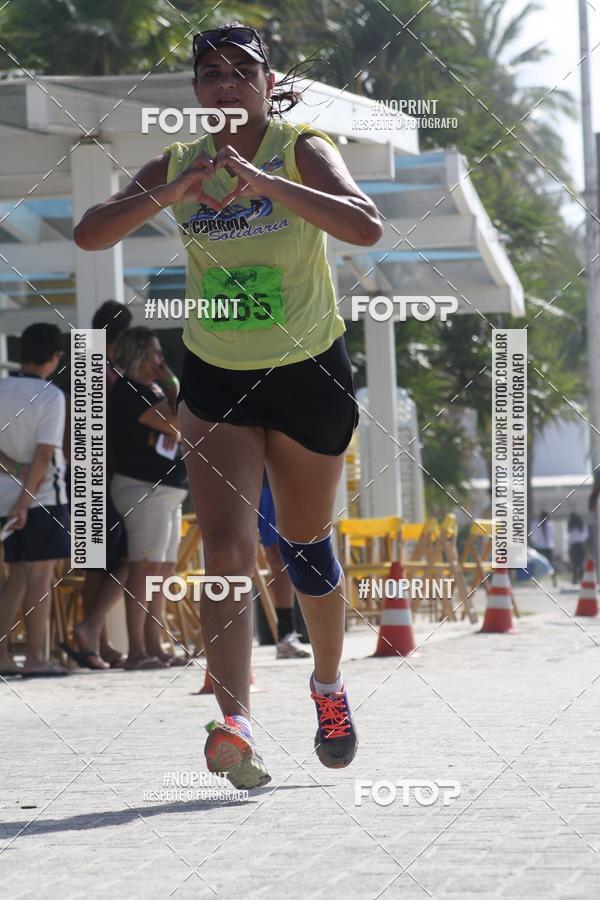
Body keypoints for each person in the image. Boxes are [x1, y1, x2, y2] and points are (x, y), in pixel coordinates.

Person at [73, 22, 383, 787]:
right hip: (214, 375)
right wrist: (171, 194)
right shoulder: (175, 163)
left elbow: (366, 224)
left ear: (265, 82)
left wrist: (271, 185)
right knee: (224, 550)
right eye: (209, 72)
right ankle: (236, 720)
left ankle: (328, 687)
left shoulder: (301, 146)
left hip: (308, 367)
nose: (224, 83)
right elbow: (88, 234)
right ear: (196, 92)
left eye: (240, 71)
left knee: (306, 548)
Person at [106, 328, 188, 669]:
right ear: (139, 355)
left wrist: (167, 383)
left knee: (162, 569)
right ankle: (137, 647)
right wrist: (171, 382)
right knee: (144, 566)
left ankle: (154, 642)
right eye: (154, 353)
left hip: (167, 491)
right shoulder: (130, 391)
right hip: (143, 488)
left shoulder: (150, 389)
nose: (160, 360)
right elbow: (180, 422)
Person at [61, 299, 131, 670]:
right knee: (110, 561)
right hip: (94, 472)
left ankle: (98, 641)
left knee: (100, 562)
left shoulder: (88, 362)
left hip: (89, 471)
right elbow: (76, 427)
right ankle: (92, 638)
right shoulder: (95, 366)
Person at [0, 324, 70, 677]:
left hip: (4, 497)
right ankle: (36, 657)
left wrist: (12, 470)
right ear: (55, 357)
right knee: (41, 578)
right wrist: (26, 501)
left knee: (16, 577)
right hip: (43, 497)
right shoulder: (51, 397)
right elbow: (44, 456)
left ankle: (2, 655)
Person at [258, 470, 311, 659]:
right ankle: (224, 639)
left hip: (271, 479)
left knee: (279, 556)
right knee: (230, 555)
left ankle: (286, 634)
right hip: (235, 475)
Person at [531, 511, 557, 586]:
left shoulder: (547, 524)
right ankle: (550, 580)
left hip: (543, 547)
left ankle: (549, 581)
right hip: (544, 547)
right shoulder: (548, 524)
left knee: (544, 564)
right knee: (546, 564)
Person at [567, 513, 589, 584]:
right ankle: (582, 578)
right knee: (581, 563)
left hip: (574, 546)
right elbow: (586, 536)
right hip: (581, 545)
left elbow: (569, 538)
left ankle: (575, 578)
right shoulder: (582, 525)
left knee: (575, 564)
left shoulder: (570, 527)